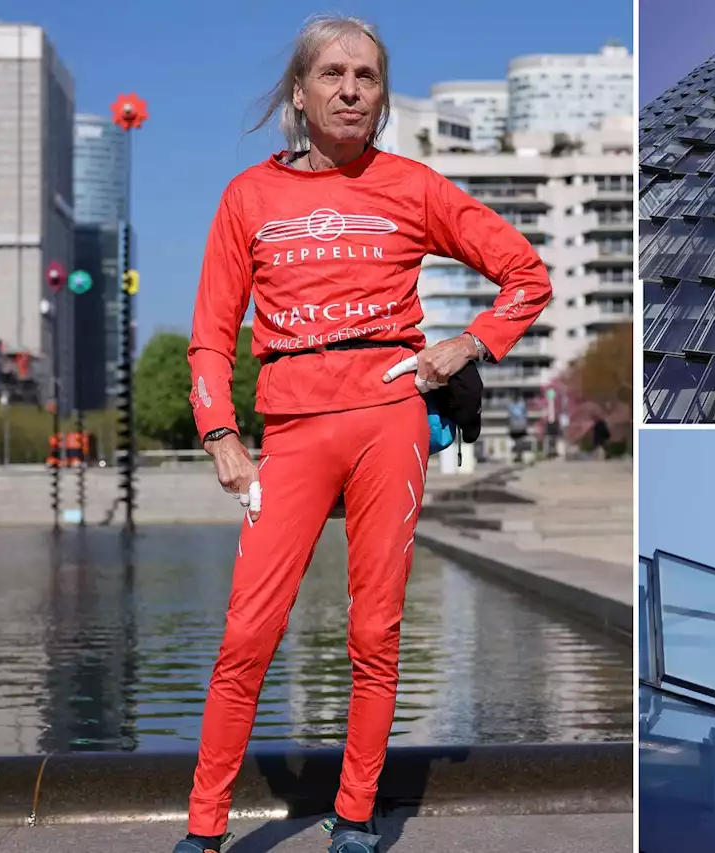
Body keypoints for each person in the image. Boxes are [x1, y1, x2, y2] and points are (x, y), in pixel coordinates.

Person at [176, 15, 550, 853]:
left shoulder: (414, 187)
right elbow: (211, 332)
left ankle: (354, 812)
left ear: (382, 97)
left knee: (375, 630)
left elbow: (527, 275)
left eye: (368, 77)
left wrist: (465, 345)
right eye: (334, 74)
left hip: (389, 419)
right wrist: (222, 436)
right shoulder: (248, 198)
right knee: (247, 634)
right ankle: (203, 829)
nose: (351, 89)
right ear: (300, 93)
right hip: (294, 430)